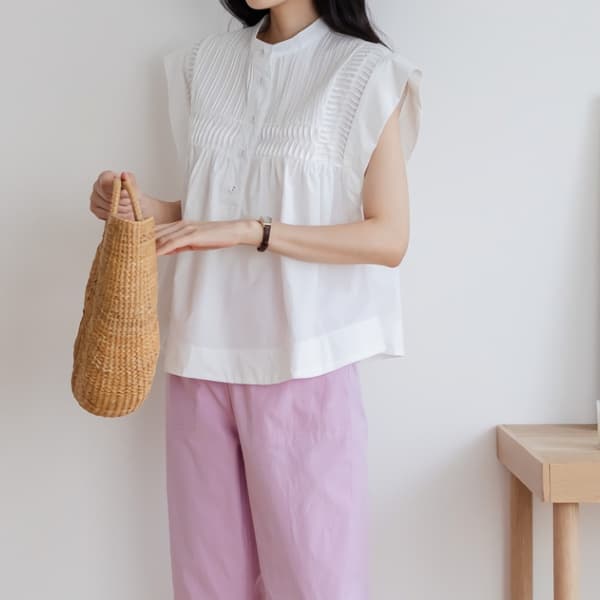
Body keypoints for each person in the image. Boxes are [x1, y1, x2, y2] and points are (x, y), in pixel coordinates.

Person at [89, 1, 422, 598]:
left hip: (304, 365)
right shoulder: (203, 64)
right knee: (206, 587)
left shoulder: (365, 72)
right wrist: (140, 208)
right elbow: (207, 207)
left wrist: (255, 231)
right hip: (199, 357)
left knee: (316, 585)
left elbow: (388, 237)